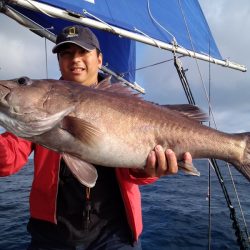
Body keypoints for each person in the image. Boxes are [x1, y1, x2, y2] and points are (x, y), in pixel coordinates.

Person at [0, 25, 192, 250]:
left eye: (83, 52)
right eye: (67, 53)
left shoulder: (126, 101)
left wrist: (149, 170)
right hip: (51, 236)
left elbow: (137, 172)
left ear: (99, 59)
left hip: (116, 233)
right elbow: (7, 159)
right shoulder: (37, 115)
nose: (75, 60)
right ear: (59, 61)